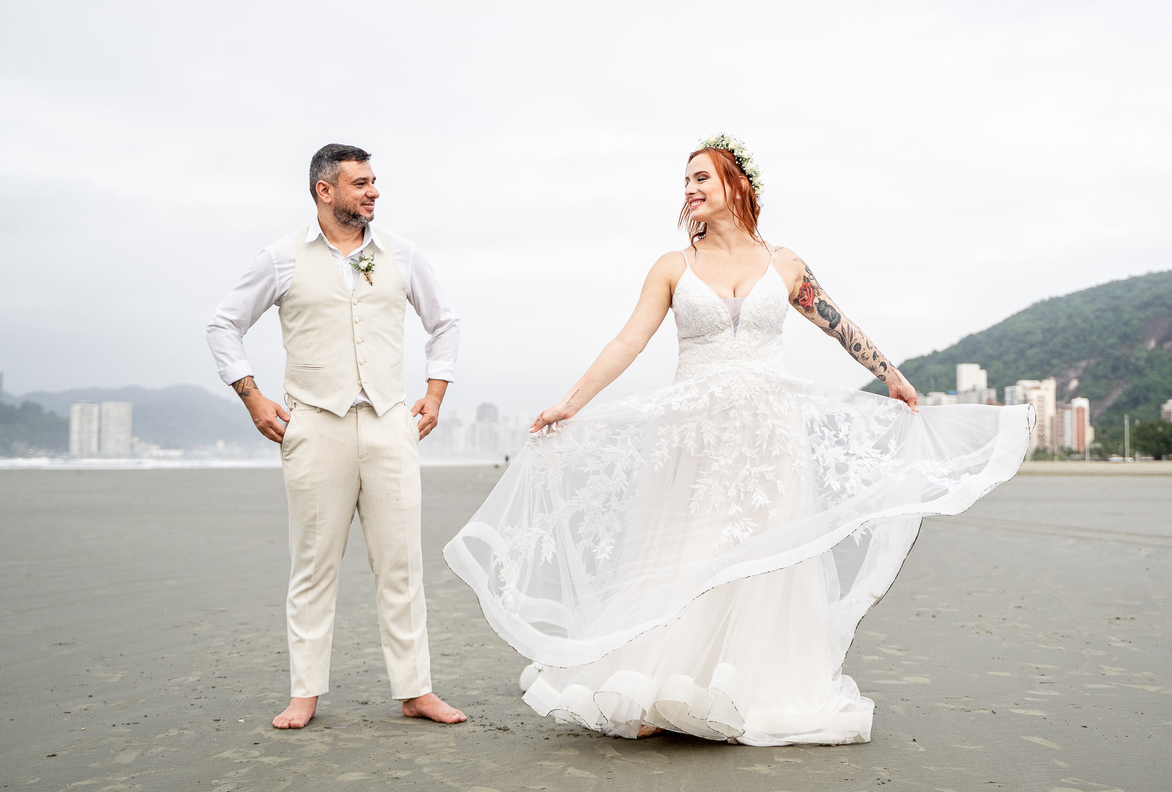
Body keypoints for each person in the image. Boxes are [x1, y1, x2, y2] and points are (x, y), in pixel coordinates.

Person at [444, 134, 1032, 745]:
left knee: (764, 562)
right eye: (686, 182)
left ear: (737, 185)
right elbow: (628, 342)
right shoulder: (673, 267)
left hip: (769, 437)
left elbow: (838, 324)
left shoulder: (785, 264)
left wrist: (891, 374)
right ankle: (658, 687)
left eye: (702, 177)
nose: (691, 189)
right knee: (687, 554)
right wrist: (570, 402)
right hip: (694, 438)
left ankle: (746, 688)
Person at [206, 143, 466, 729]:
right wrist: (251, 394)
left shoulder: (401, 253)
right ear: (325, 191)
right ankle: (304, 693)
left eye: (375, 182)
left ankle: (416, 689)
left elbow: (444, 322)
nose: (373, 191)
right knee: (313, 565)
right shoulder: (281, 257)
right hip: (313, 427)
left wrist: (436, 392)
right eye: (360, 183)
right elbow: (223, 324)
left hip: (389, 424)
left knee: (400, 564)